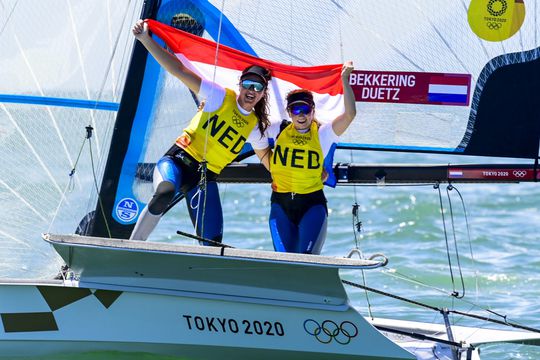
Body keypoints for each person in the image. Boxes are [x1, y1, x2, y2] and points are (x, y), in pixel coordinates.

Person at [130, 20, 271, 244]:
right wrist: (145, 39)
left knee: (213, 240)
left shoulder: (255, 127)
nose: (250, 91)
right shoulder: (218, 96)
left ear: (263, 93)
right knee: (165, 193)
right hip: (177, 162)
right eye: (247, 84)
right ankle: (132, 246)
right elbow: (178, 70)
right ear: (240, 84)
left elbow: (271, 163)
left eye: (257, 87)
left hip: (203, 179)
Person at [264, 61, 356, 254]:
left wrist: (344, 80)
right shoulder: (277, 129)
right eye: (295, 110)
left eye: (305, 109)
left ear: (313, 110)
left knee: (306, 259)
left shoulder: (323, 133)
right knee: (283, 260)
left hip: (312, 205)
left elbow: (349, 115)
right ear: (289, 113)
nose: (301, 115)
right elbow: (251, 132)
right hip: (280, 205)